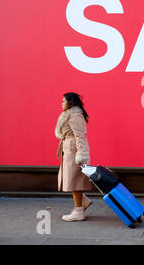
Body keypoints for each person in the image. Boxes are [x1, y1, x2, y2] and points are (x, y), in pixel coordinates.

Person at [55, 92, 93, 221]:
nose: (61, 103)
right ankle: (83, 202)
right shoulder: (68, 115)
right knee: (72, 179)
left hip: (74, 150)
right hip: (68, 149)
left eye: (63, 101)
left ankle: (78, 212)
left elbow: (80, 136)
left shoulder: (75, 116)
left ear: (70, 103)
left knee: (74, 180)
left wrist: (81, 154)